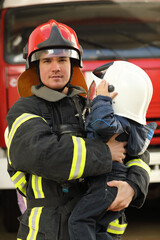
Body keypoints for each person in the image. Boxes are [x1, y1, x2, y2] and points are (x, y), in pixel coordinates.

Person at [6, 19, 150, 240]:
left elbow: (136, 150)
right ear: (35, 66)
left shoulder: (92, 105)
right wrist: (104, 153)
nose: (56, 67)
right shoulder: (24, 110)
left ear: (74, 64)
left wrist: (133, 185)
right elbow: (43, 156)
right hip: (50, 232)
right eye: (47, 61)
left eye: (63, 59)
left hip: (99, 232)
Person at [68, 61, 157, 240]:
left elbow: (102, 124)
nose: (93, 96)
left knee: (78, 221)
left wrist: (102, 100)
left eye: (100, 90)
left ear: (114, 97)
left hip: (106, 185)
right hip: (112, 185)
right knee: (99, 231)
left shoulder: (115, 124)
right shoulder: (130, 127)